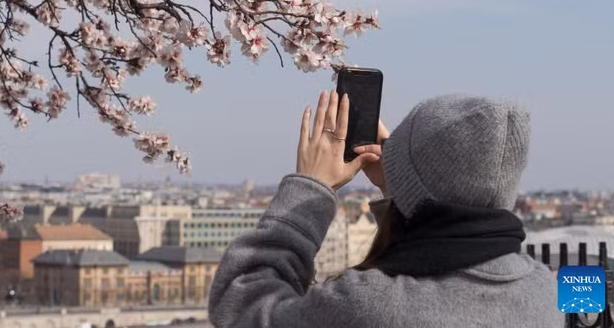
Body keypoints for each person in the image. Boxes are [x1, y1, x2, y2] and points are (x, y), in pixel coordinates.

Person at [208, 91, 562, 327]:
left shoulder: (372, 305)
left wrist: (309, 188)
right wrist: (404, 187)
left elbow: (240, 305)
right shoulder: (542, 293)